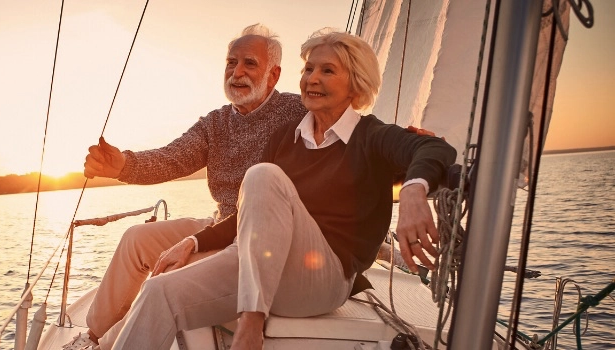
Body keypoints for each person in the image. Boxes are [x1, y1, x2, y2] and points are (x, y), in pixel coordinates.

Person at [110, 28, 457, 350]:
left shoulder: (371, 136)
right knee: (159, 291)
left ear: (355, 84)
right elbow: (253, 214)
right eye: (308, 69)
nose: (312, 79)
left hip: (323, 278)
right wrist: (194, 241)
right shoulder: (286, 137)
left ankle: (251, 323)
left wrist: (413, 191)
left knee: (262, 175)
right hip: (259, 265)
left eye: (328, 71)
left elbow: (435, 150)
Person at [62, 24, 308, 350]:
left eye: (249, 63)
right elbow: (171, 158)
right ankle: (91, 338)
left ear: (273, 75)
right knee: (136, 238)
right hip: (218, 227)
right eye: (231, 63)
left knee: (168, 275)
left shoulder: (297, 112)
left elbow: (348, 138)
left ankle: (117, 340)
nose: (237, 72)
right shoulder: (216, 123)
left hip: (263, 242)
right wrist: (121, 164)